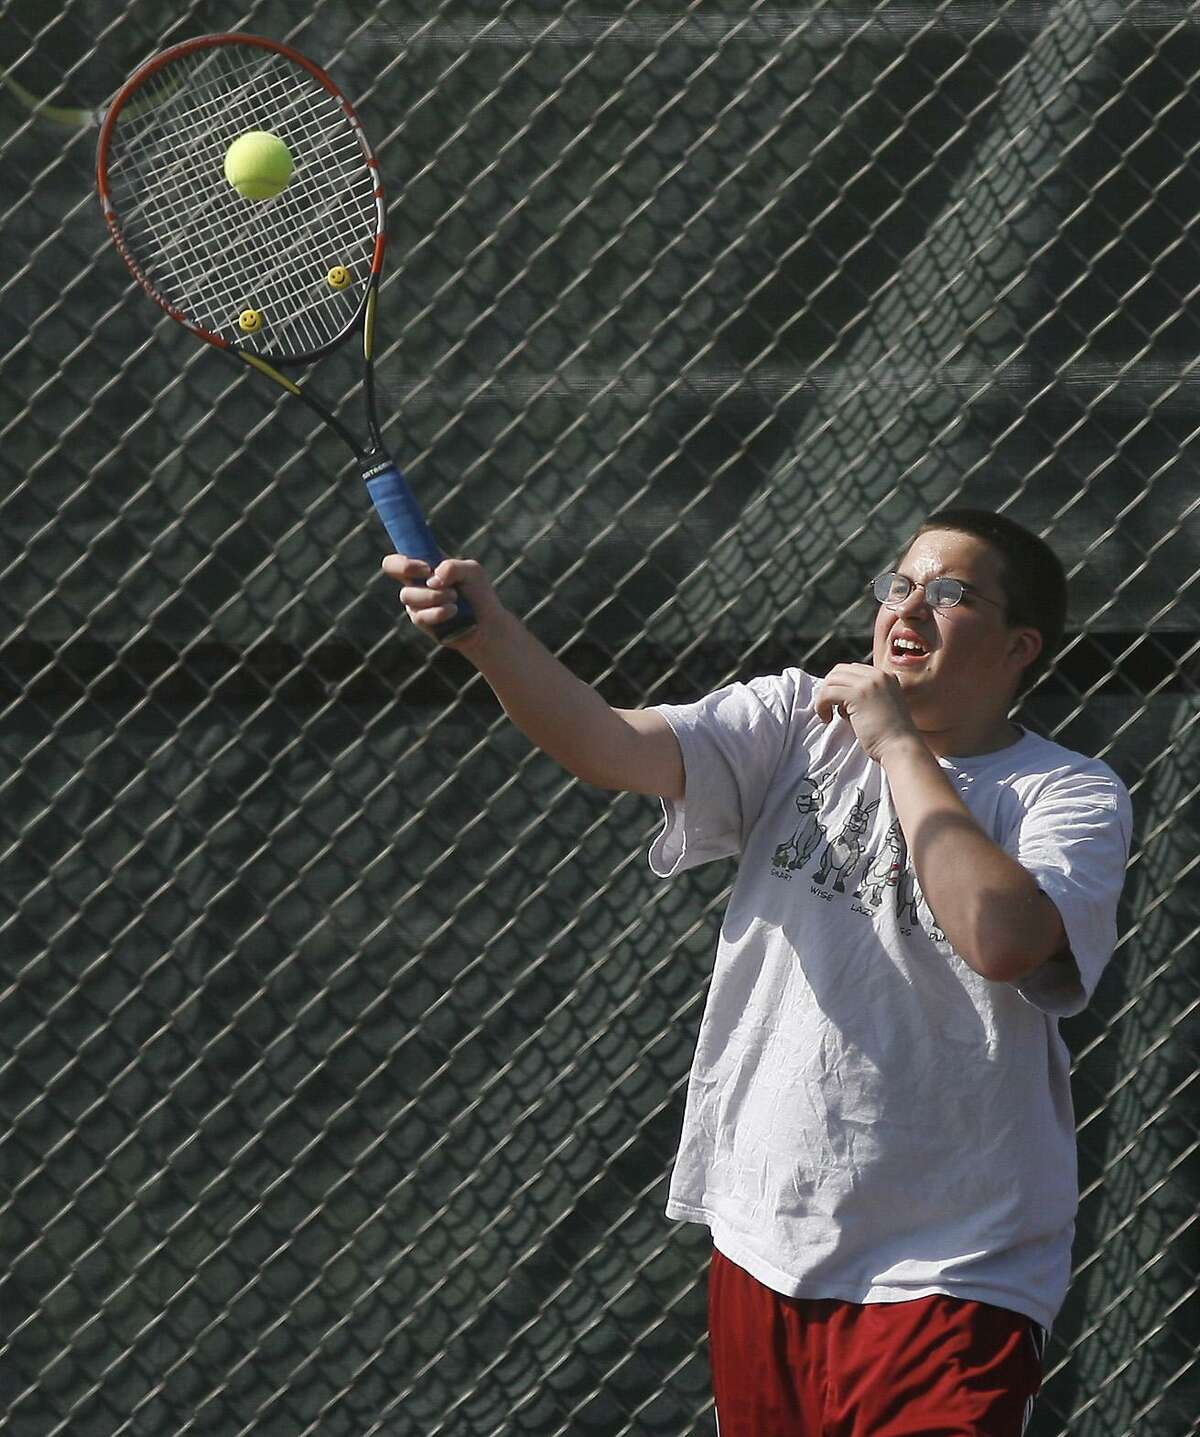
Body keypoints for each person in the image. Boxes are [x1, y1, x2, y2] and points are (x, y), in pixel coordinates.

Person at [383, 508, 1131, 1436]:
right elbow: (609, 744)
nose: (909, 608)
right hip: (766, 1245)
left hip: (955, 1272)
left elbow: (1003, 939)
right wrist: (488, 635)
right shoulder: (792, 721)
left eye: (950, 594)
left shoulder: (1068, 794)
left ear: (1020, 646)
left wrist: (897, 744)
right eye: (899, 585)